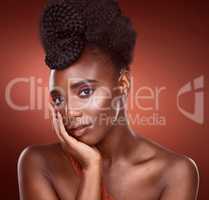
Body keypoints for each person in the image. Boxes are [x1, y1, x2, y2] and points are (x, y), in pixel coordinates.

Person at [17, 0, 199, 199]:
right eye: (59, 99)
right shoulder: (39, 163)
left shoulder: (174, 173)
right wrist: (91, 169)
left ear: (123, 83)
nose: (69, 112)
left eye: (85, 92)